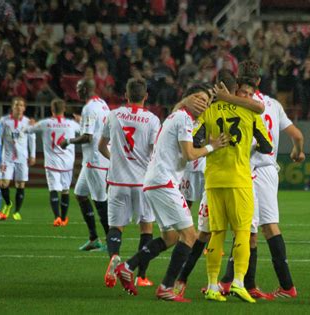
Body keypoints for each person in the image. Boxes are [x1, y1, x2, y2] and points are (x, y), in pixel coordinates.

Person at [114, 85, 228, 301]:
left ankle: (128, 267)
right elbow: (189, 154)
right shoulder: (184, 118)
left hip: (156, 181)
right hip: (163, 182)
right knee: (190, 235)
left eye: (207, 100)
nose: (204, 103)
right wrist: (213, 147)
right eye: (199, 98)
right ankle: (166, 286)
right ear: (189, 99)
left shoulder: (178, 115)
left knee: (171, 236)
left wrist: (186, 101)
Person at [219, 61, 304, 299]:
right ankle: (285, 286)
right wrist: (298, 150)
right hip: (269, 170)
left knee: (247, 229)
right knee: (268, 227)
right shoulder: (274, 104)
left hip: (248, 169)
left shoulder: (239, 103)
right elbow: (297, 135)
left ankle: (242, 283)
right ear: (259, 80)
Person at [194, 76, 273, 303]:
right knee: (242, 232)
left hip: (213, 180)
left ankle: (211, 286)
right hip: (239, 179)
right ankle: (238, 282)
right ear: (235, 89)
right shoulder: (250, 113)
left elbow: (196, 140)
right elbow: (267, 147)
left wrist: (211, 143)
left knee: (216, 233)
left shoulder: (209, 110)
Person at [100, 78, 161, 288]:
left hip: (117, 181)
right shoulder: (153, 120)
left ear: (125, 96)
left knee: (116, 227)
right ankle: (141, 275)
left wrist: (116, 160)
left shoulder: (113, 115)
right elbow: (155, 151)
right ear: (146, 96)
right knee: (146, 228)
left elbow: (101, 146)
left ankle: (114, 257)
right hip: (143, 183)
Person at [60, 79, 110, 251]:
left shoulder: (89, 107)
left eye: (78, 88)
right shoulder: (102, 104)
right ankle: (94, 238)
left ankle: (112, 241)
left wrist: (67, 141)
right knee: (80, 194)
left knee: (100, 201)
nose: (76, 90)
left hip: (95, 160)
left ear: (85, 89)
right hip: (97, 158)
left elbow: (87, 137)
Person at [24, 99, 80, 226]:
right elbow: (84, 132)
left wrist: (31, 124)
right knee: (65, 190)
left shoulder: (45, 123)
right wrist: (80, 121)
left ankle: (57, 217)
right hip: (67, 162)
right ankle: (64, 218)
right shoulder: (71, 124)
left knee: (53, 189)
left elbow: (28, 130)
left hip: (52, 162)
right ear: (64, 109)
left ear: (52, 109)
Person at [0, 97, 36, 220]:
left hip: (22, 157)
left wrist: (32, 155)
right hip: (7, 157)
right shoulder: (4, 121)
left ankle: (16, 211)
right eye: (16, 105)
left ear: (24, 108)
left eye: (21, 105)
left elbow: (32, 139)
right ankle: (8, 203)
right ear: (12, 107)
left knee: (20, 184)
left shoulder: (28, 122)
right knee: (3, 183)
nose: (19, 107)